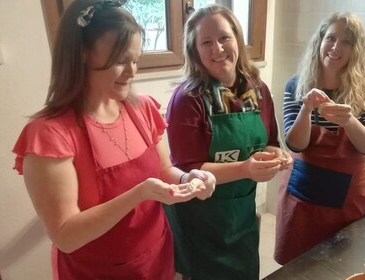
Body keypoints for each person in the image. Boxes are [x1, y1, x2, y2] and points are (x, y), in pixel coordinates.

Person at [12, 0, 215, 279]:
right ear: (82, 54)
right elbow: (66, 236)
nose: (133, 72)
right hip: (95, 271)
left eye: (135, 60)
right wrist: (139, 194)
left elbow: (164, 170)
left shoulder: (142, 109)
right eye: (121, 61)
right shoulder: (50, 134)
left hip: (155, 256)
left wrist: (188, 179)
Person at [164, 4, 292, 280]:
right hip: (200, 217)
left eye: (224, 38)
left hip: (241, 213)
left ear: (237, 39)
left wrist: (277, 157)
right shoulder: (187, 99)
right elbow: (188, 169)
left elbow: (270, 141)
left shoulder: (257, 89)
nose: (217, 49)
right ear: (194, 50)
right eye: (206, 42)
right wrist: (245, 169)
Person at [274, 12, 365, 265]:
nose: (336, 47)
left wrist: (349, 121)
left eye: (347, 41)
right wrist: (306, 109)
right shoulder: (296, 84)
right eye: (331, 38)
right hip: (300, 194)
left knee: (338, 264)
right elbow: (295, 144)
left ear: (356, 49)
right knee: (297, 266)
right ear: (319, 41)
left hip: (348, 195)